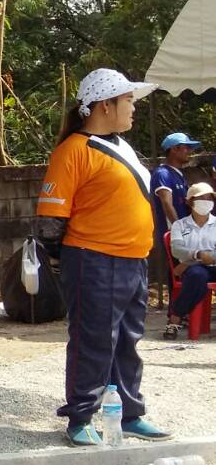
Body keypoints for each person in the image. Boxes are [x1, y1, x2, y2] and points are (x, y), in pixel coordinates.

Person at [34, 69, 172, 445]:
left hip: (133, 259)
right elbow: (50, 219)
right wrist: (61, 262)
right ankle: (80, 417)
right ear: (104, 105)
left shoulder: (121, 146)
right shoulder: (73, 151)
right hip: (93, 259)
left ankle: (129, 413)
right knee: (93, 340)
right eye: (128, 100)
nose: (133, 107)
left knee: (127, 340)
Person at [166, 181, 216, 338]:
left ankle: (175, 316)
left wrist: (189, 261)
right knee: (197, 276)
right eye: (202, 198)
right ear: (190, 202)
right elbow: (177, 250)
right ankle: (176, 319)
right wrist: (198, 255)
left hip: (210, 266)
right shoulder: (179, 225)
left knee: (197, 275)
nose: (206, 201)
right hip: (194, 270)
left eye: (209, 198)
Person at [153, 132, 199, 241]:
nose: (190, 151)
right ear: (174, 149)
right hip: (172, 237)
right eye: (186, 147)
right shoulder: (162, 173)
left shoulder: (178, 175)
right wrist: (180, 232)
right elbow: (167, 204)